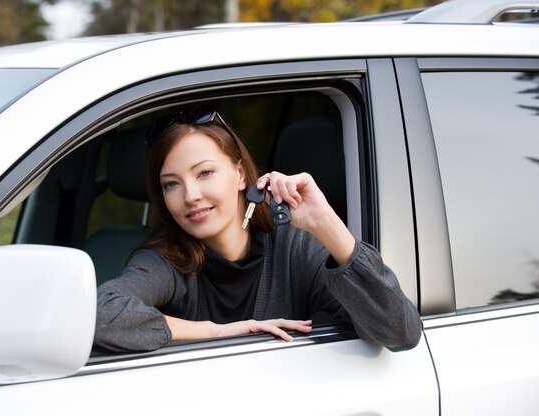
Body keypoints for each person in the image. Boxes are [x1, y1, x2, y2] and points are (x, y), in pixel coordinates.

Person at [94, 105, 421, 353]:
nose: (190, 196)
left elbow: (400, 333)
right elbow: (98, 314)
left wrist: (325, 223)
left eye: (205, 173)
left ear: (240, 175)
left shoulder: (296, 250)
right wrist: (219, 331)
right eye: (171, 184)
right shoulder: (166, 260)